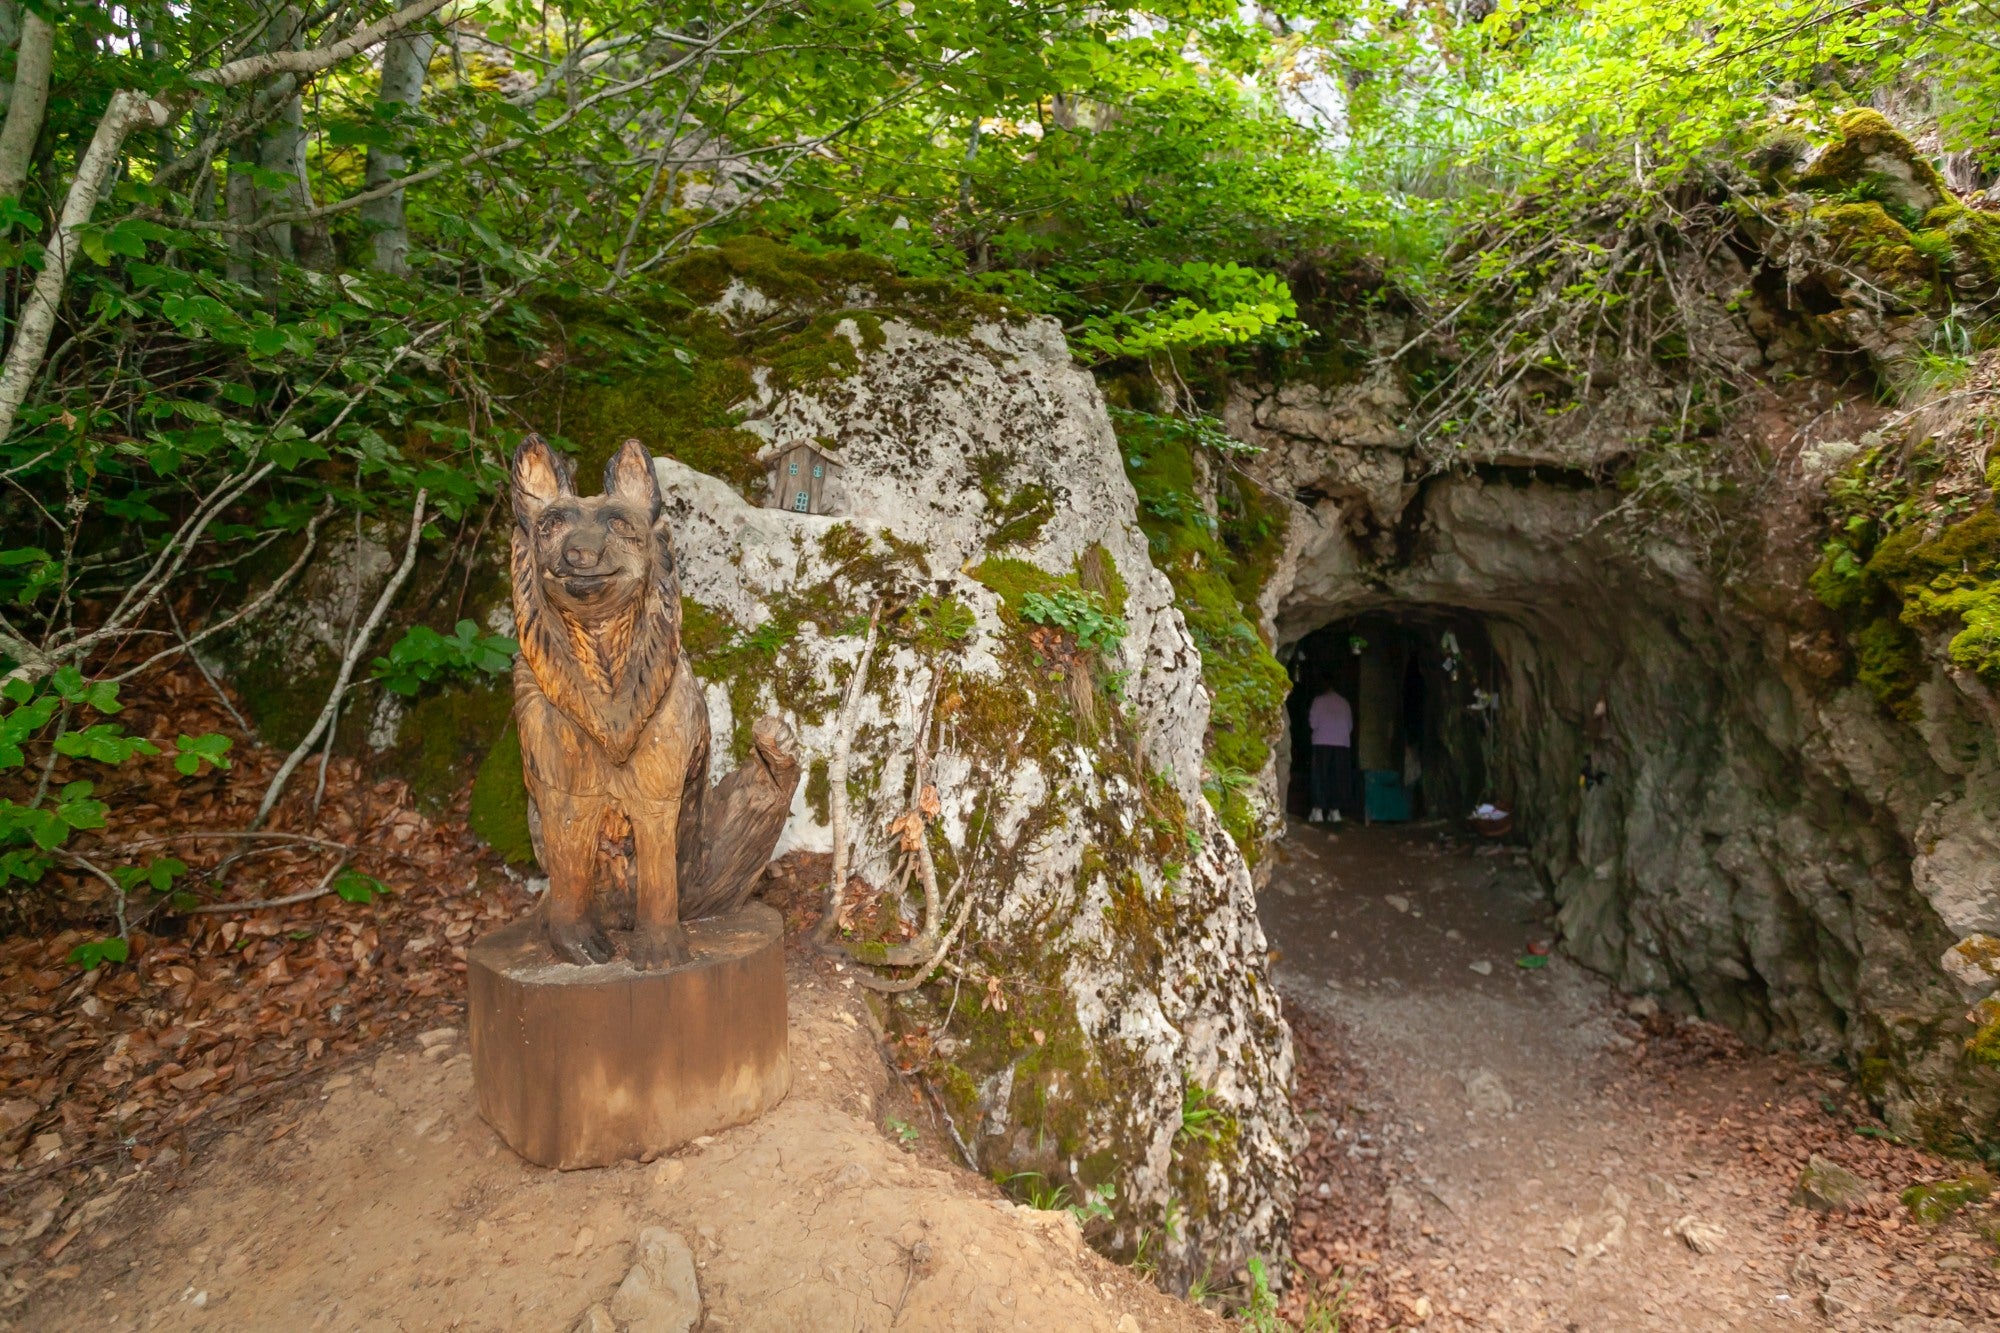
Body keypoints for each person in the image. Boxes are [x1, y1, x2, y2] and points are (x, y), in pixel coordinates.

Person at [1307, 686, 1354, 822]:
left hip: (1321, 742)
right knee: (1337, 777)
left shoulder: (1318, 701)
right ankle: (1335, 811)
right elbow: (1349, 726)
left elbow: (1313, 724)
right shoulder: (1344, 702)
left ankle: (1318, 811)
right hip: (1341, 744)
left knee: (1320, 777)